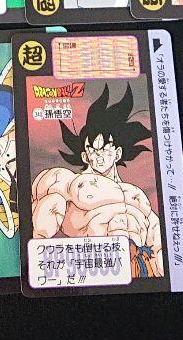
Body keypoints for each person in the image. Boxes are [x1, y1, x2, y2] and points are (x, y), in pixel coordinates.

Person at [31, 84, 163, 278]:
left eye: (105, 148)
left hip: (137, 270)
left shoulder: (136, 196)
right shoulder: (70, 183)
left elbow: (158, 243)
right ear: (85, 156)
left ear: (117, 153)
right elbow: (47, 209)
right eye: (92, 150)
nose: (99, 155)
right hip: (92, 267)